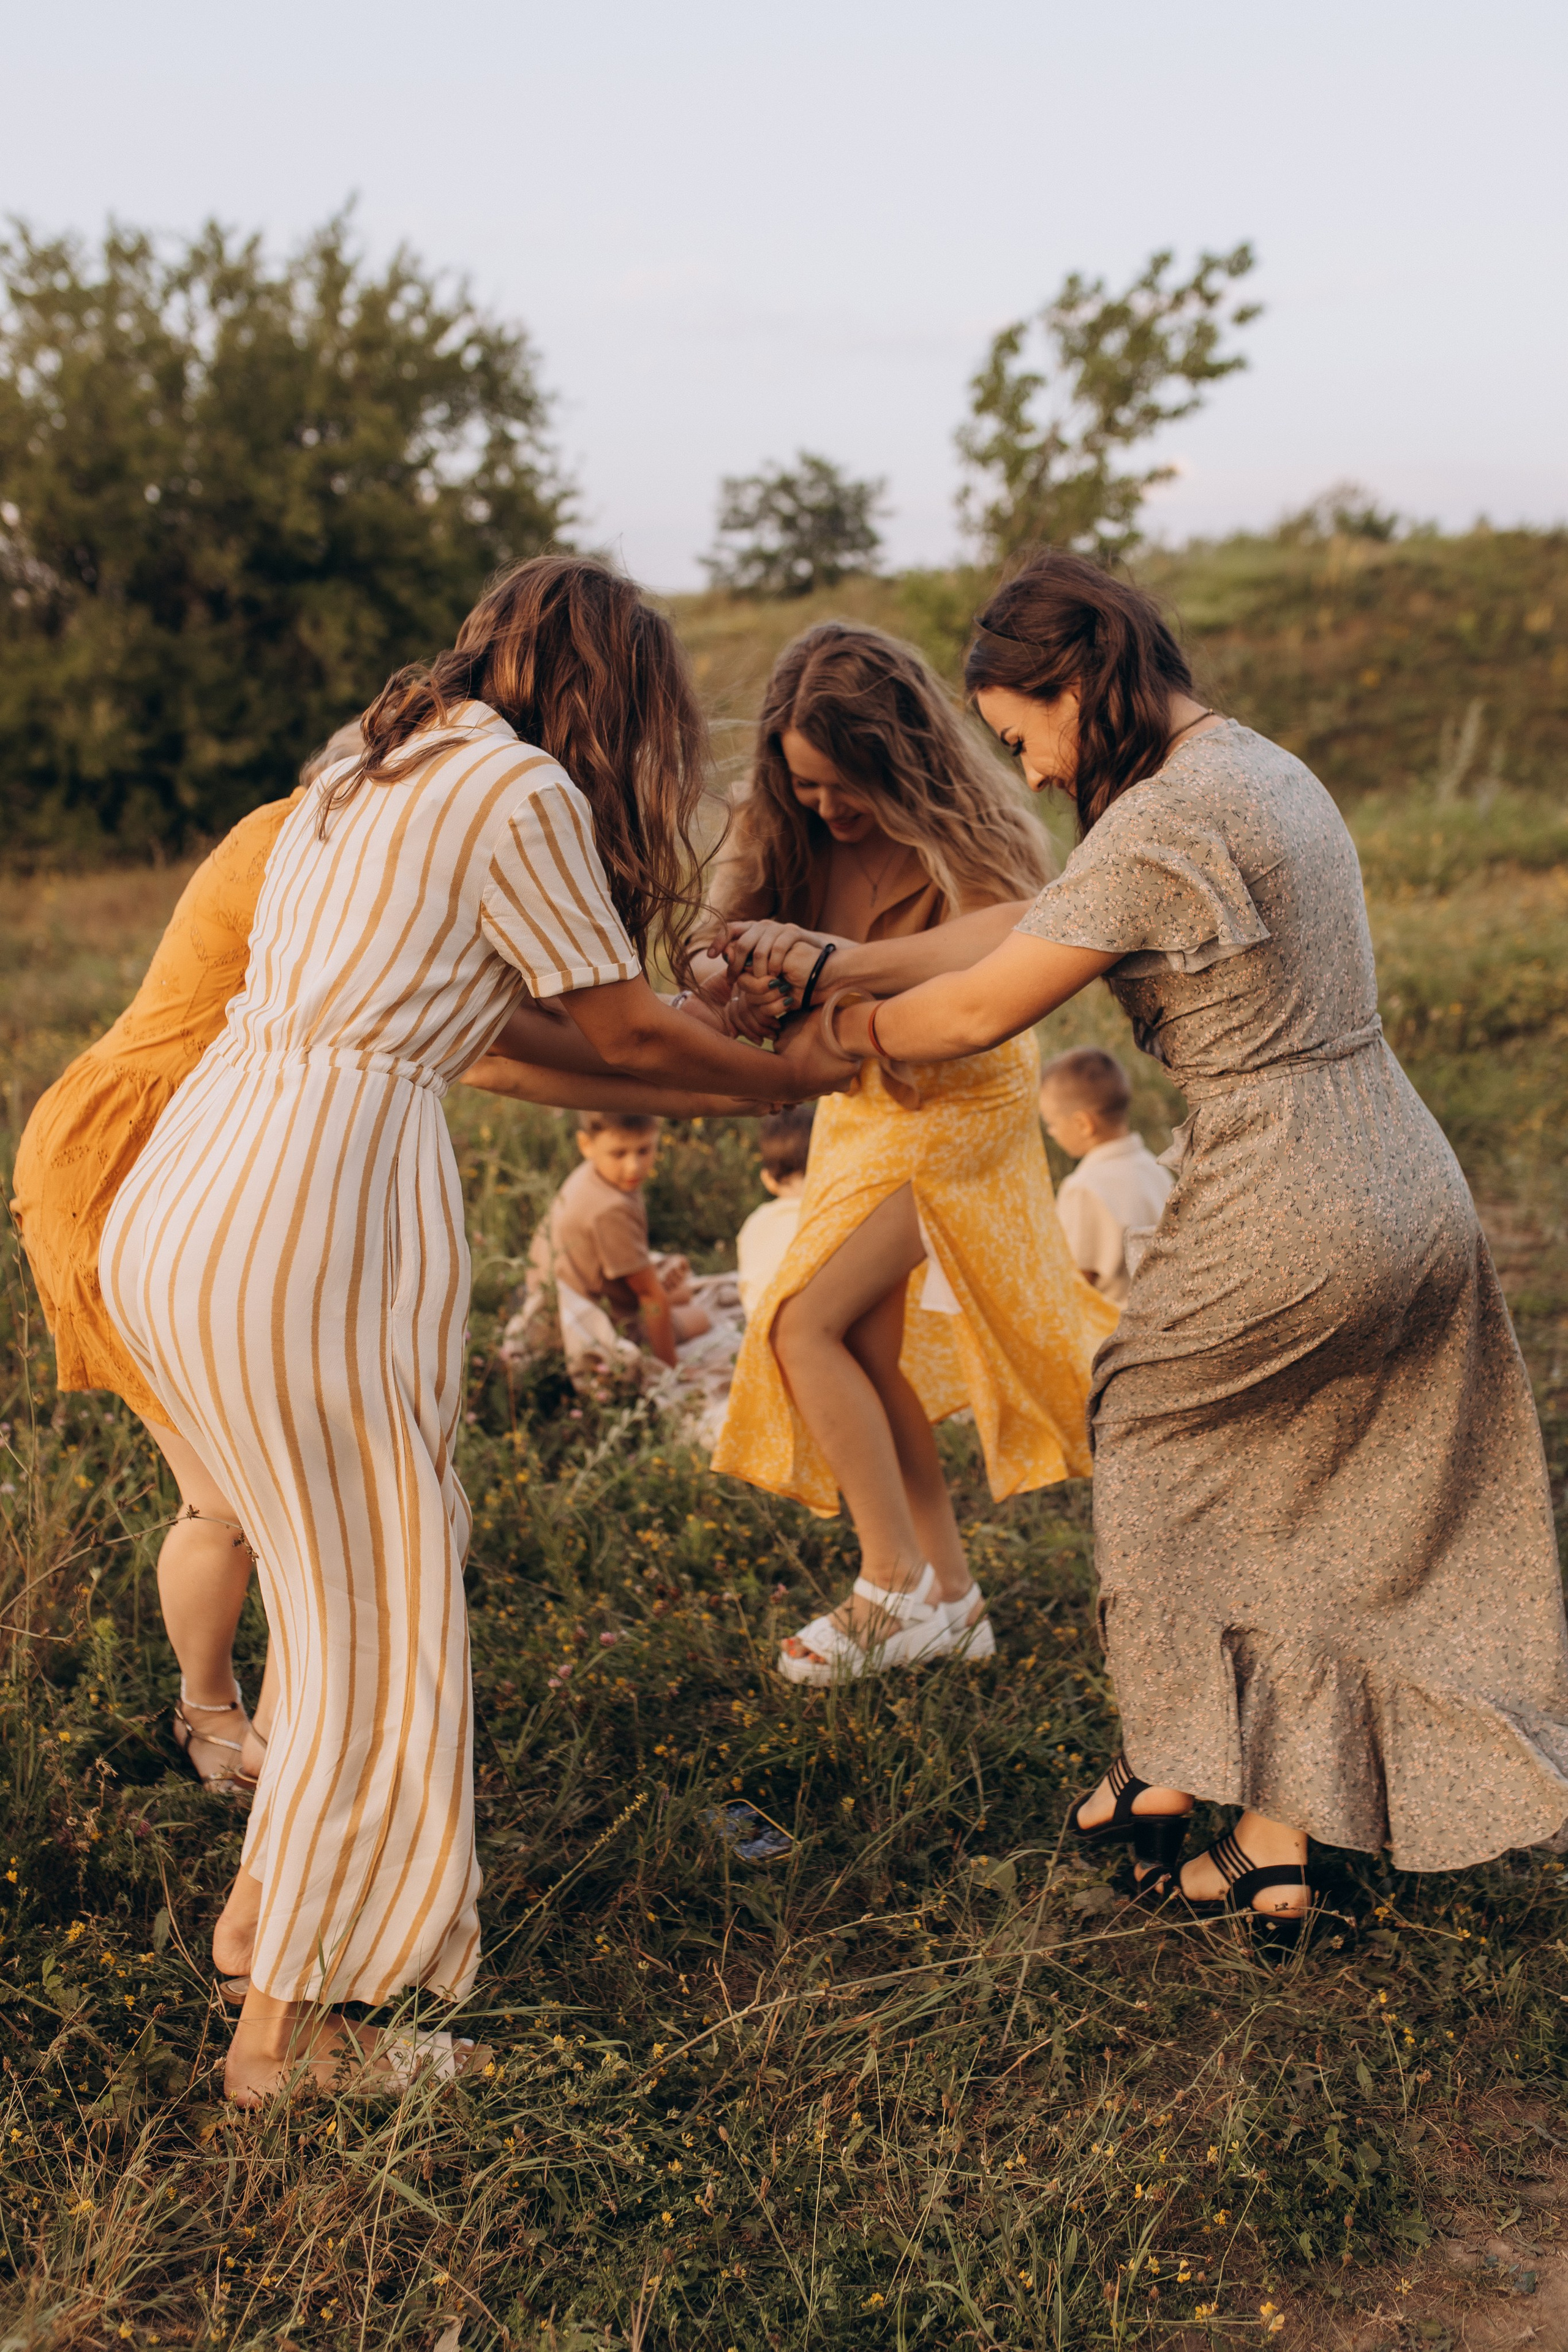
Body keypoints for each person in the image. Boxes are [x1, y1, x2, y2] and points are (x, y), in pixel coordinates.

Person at [99, 554, 824, 2103]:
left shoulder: (367, 759)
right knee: (381, 1619)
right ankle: (293, 2042)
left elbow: (514, 1026)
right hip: (314, 1212)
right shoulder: (517, 795)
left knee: (322, 1580)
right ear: (609, 688)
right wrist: (792, 1075)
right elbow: (622, 1027)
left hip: (189, 1197)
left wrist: (706, 1057)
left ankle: (260, 1919)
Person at [772, 550, 1568, 1935]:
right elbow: (1038, 922)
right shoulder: (1259, 765)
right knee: (1316, 1485)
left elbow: (973, 1015)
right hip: (1400, 1161)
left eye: (1021, 734)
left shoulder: (1151, 820)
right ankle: (1271, 1837)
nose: (1021, 771)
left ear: (1073, 682)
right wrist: (831, 959)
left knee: (1149, 1446)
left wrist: (818, 1030)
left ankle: (1172, 1760)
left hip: (1286, 1181)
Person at [708, 621, 1117, 1686]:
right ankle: (954, 1596)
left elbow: (1026, 928)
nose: (826, 808)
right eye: (804, 785)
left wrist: (847, 963)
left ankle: (887, 1589)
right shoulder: (783, 824)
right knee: (865, 1349)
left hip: (958, 1104)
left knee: (802, 1321)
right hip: (861, 1101)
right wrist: (733, 970)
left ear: (901, 762)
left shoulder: (965, 831)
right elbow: (712, 939)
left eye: (845, 786)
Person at [532, 1111, 711, 1370]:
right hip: (591, 1325)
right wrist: (669, 1369)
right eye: (619, 1154)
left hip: (570, 1298)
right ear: (586, 1145)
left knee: (681, 1292)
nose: (634, 1166)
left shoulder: (593, 1174)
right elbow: (650, 1296)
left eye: (644, 1150)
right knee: (700, 1316)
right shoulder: (610, 1209)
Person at [1039, 1047, 1173, 1306]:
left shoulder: (1082, 1188)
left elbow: (1075, 1281)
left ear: (1083, 1124)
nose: (1052, 1132)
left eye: (1052, 1123)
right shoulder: (1154, 1167)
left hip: (1116, 1331)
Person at [735, 1105, 815, 1318]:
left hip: (760, 1334)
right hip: (813, 1335)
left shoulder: (755, 1222)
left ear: (768, 1180)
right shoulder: (828, 1217)